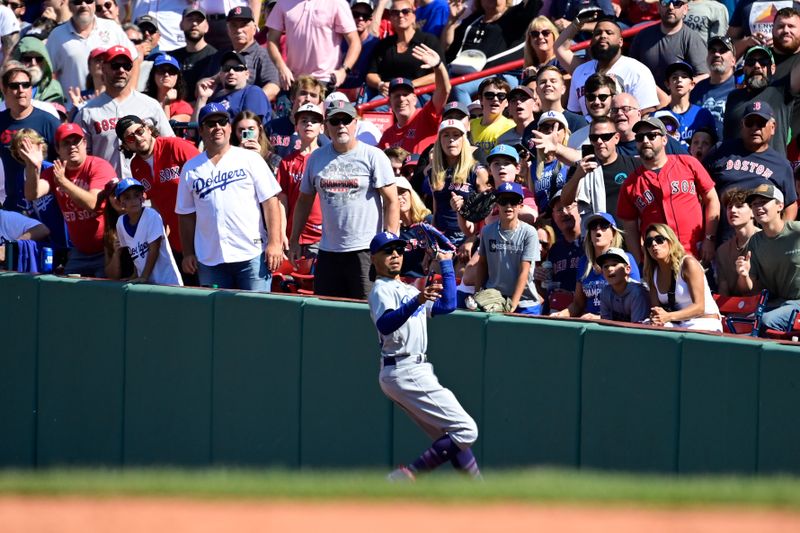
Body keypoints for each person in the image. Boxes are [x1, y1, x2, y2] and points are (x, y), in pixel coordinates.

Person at [367, 231, 480, 482]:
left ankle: (479, 492)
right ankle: (408, 476)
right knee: (466, 430)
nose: (395, 255)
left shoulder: (405, 288)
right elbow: (385, 324)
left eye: (398, 250)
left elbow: (447, 305)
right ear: (374, 258)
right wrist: (417, 300)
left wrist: (447, 263)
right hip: (404, 367)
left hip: (410, 369)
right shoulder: (381, 289)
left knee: (453, 436)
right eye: (388, 251)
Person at [289, 99, 399, 299]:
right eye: (335, 121)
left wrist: (390, 245)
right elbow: (304, 201)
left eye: (346, 120)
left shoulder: (373, 156)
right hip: (328, 251)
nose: (341, 126)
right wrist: (294, 239)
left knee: (366, 312)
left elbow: (392, 200)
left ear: (355, 122)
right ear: (326, 127)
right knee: (328, 313)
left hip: (365, 250)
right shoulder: (316, 158)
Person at [176, 103, 283, 291]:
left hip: (251, 254)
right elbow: (185, 214)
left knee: (256, 313)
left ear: (229, 127)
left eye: (222, 122)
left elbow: (270, 202)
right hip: (210, 258)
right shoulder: (190, 168)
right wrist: (188, 253)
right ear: (201, 130)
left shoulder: (250, 158)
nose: (217, 127)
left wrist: (275, 243)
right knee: (217, 318)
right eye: (210, 123)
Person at [618, 117, 719, 266]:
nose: (645, 140)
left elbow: (712, 199)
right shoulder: (630, 184)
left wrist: (709, 238)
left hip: (696, 252)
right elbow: (630, 228)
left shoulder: (688, 163)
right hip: (659, 261)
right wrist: (640, 260)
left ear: (664, 140)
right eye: (640, 137)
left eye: (652, 136)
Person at [21, 123, 115, 277]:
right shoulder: (54, 172)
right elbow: (32, 194)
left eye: (76, 141)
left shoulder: (98, 166)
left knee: (104, 296)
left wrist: (64, 182)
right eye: (66, 143)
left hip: (105, 250)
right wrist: (33, 167)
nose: (72, 147)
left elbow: (94, 204)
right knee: (67, 294)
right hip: (79, 251)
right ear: (57, 150)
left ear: (84, 143)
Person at [117, 114, 200, 280]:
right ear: (126, 144)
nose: (138, 138)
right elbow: (154, 201)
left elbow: (205, 176)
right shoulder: (136, 165)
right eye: (130, 138)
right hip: (176, 240)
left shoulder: (175, 146)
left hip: (202, 233)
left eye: (140, 131)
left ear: (148, 129)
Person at [75, 46, 175, 181]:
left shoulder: (151, 105)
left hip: (147, 189)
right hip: (107, 189)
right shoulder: (87, 112)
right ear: (104, 68)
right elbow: (81, 159)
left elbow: (169, 145)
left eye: (126, 66)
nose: (121, 70)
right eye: (115, 66)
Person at [706, 101, 797, 241]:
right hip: (719, 239)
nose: (755, 128)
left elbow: (790, 205)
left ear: (772, 128)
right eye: (750, 123)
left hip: (760, 243)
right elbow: (702, 191)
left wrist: (779, 238)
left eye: (760, 123)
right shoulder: (721, 150)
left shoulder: (781, 165)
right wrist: (708, 237)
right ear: (742, 125)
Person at [442, 0, 539, 106]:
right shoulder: (473, 20)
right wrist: (451, 21)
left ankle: (471, 120)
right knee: (434, 89)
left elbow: (533, 5)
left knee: (459, 89)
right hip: (462, 73)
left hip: (499, 74)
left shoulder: (515, 16)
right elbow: (448, 48)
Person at [559, 16, 659, 116]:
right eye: (598, 33)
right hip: (588, 130)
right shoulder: (580, 71)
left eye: (609, 33)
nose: (603, 36)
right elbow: (575, 115)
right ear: (592, 41)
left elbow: (647, 113)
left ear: (620, 41)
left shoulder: (637, 70)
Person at [736, 183, 800, 334]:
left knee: (765, 321)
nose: (758, 207)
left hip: (795, 304)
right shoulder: (755, 241)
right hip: (775, 305)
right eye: (754, 204)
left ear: (780, 206)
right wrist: (743, 275)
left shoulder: (797, 231)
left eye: (764, 202)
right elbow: (747, 289)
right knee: (736, 321)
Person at [0, 61, 60, 214]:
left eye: (25, 85)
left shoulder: (48, 121)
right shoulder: (1, 121)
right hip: (13, 206)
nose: (21, 90)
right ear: (4, 90)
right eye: (14, 86)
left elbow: (65, 160)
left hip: (47, 203)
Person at [554, 212, 640, 319]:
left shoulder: (626, 259)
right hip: (590, 324)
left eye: (604, 225)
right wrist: (562, 314)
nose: (598, 230)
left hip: (617, 325)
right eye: (593, 226)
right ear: (589, 235)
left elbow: (636, 300)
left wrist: (600, 318)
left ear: (613, 234)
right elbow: (578, 304)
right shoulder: (583, 262)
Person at [473, 181, 542, 314]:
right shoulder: (487, 231)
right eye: (503, 200)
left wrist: (511, 306)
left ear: (521, 205)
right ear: (497, 204)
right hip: (494, 299)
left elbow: (525, 271)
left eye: (514, 201)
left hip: (524, 301)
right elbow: (482, 264)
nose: (508, 206)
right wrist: (477, 295)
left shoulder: (529, 232)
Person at [45, 0, 138, 96]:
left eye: (89, 1)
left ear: (94, 4)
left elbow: (134, 58)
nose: (84, 5)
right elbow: (48, 72)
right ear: (70, 6)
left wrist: (131, 91)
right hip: (74, 106)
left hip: (111, 103)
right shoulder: (57, 35)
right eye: (78, 2)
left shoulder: (112, 27)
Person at [722, 45, 800, 156]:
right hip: (735, 170)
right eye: (750, 62)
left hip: (772, 170)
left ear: (772, 68)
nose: (757, 66)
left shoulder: (782, 92)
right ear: (744, 68)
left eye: (763, 62)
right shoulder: (733, 97)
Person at [643, 223, 722, 332]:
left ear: (671, 241)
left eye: (659, 239)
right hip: (678, 324)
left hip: (703, 322)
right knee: (645, 329)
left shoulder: (688, 264)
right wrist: (657, 317)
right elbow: (658, 310)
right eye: (648, 242)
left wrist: (668, 316)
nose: (654, 244)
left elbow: (700, 307)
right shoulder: (652, 273)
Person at [266, 0, 361, 90]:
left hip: (326, 80)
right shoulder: (283, 2)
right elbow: (271, 40)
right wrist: (281, 67)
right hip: (292, 79)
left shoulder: (337, 2)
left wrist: (343, 71)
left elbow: (355, 42)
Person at [424, 118, 489, 246]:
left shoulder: (478, 171)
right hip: (441, 238)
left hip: (467, 238)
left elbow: (486, 212)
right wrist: (431, 243)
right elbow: (436, 211)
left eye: (456, 135)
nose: (451, 140)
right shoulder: (433, 172)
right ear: (439, 141)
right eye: (446, 135)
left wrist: (472, 239)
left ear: (464, 141)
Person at [378, 43, 451, 155]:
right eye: (397, 95)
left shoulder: (426, 116)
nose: (402, 99)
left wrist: (438, 66)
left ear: (415, 99)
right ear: (389, 102)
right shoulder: (387, 135)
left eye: (406, 94)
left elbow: (444, 90)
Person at [365, 0, 444, 102]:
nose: (400, 15)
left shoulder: (428, 41)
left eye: (405, 11)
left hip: (418, 95)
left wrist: (407, 85)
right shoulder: (384, 45)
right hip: (388, 96)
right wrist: (380, 84)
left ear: (414, 16)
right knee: (375, 108)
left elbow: (439, 74)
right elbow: (371, 74)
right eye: (395, 12)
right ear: (390, 18)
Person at [561, 116, 639, 218]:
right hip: (596, 229)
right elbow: (565, 201)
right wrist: (578, 176)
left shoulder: (633, 164)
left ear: (616, 138)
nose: (599, 141)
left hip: (627, 231)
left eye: (605, 137)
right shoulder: (581, 167)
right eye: (594, 138)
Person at [276, 102, 325, 260]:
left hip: (322, 236)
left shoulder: (329, 159)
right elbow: (282, 202)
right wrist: (282, 233)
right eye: (304, 120)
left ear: (322, 128)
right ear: (296, 126)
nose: (309, 124)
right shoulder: (286, 162)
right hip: (294, 236)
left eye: (314, 121)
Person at [628, 0, 710, 91]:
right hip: (645, 99)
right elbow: (631, 70)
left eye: (677, 3)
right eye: (665, 2)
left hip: (677, 101)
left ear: (685, 9)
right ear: (658, 7)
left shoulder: (692, 38)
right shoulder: (642, 36)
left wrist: (681, 89)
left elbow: (704, 75)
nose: (671, 7)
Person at [113, 177, 182, 285]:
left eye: (136, 195)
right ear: (121, 204)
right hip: (145, 282)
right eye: (127, 197)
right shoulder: (120, 223)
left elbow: (154, 249)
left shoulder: (152, 215)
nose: (133, 200)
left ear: (142, 198)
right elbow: (135, 255)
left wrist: (144, 276)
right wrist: (135, 275)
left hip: (168, 281)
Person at [204, 7, 280, 101]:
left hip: (248, 112)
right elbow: (201, 86)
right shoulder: (219, 55)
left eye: (244, 25)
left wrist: (247, 102)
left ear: (254, 28)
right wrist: (216, 78)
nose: (239, 30)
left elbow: (273, 87)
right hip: (217, 110)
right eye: (234, 25)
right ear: (227, 30)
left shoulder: (263, 55)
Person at [194, 51, 271, 125]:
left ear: (247, 74)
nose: (231, 72)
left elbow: (251, 131)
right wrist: (202, 98)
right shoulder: (216, 99)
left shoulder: (253, 92)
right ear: (220, 75)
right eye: (226, 68)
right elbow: (193, 132)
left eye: (237, 68)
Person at [265, 76, 328, 161]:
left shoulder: (319, 136)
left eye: (313, 95)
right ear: (292, 97)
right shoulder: (272, 127)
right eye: (303, 93)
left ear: (319, 102)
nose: (308, 99)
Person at [612, 93, 690, 157]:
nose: (619, 113)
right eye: (614, 110)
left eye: (625, 109)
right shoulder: (609, 148)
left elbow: (691, 166)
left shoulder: (662, 140)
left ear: (639, 114)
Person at [714, 188, 760, 296]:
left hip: (766, 306)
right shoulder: (722, 251)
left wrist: (744, 277)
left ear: (753, 212)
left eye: (739, 206)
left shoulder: (766, 241)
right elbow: (723, 291)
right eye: (729, 207)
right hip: (734, 309)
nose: (733, 210)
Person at [691, 35, 737, 137]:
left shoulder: (739, 87)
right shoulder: (698, 89)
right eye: (712, 50)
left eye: (722, 51)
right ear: (707, 57)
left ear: (733, 60)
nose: (716, 54)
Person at [169, 7, 218, 103]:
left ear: (207, 27)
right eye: (190, 19)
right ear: (181, 25)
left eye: (199, 20)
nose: (194, 23)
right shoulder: (172, 57)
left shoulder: (215, 57)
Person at [661, 61, 716, 146]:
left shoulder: (703, 115)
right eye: (674, 77)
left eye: (684, 76)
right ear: (667, 84)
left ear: (692, 84)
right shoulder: (659, 116)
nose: (679, 80)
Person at [529, 111, 570, 214]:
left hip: (567, 216)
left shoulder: (571, 161)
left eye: (557, 126)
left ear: (565, 132)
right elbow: (534, 202)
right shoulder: (533, 168)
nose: (551, 131)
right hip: (547, 223)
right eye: (545, 127)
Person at [597, 247, 651, 323]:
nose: (610, 269)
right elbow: (605, 324)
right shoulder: (605, 292)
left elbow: (638, 329)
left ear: (627, 269)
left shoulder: (638, 293)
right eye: (606, 266)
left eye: (614, 264)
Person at [395, 175, 433, 279]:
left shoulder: (429, 221)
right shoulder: (390, 230)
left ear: (411, 195)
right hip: (404, 284)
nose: (398, 197)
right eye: (394, 194)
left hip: (430, 281)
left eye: (402, 192)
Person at [9, 35, 65, 105]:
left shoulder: (52, 88)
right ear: (18, 60)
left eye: (39, 59)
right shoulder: (6, 86)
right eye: (27, 59)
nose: (33, 63)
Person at [534, 66, 587, 137]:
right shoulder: (531, 128)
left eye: (553, 81)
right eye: (543, 82)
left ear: (563, 89)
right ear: (537, 90)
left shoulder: (578, 122)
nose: (548, 84)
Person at [142, 53, 193, 122]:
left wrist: (166, 105)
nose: (166, 74)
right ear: (153, 74)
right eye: (161, 70)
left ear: (178, 77)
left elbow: (167, 130)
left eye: (172, 71)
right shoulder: (143, 100)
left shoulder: (184, 107)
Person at [470, 77, 515, 153]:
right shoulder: (470, 125)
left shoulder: (512, 127)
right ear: (480, 99)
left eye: (501, 96)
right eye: (489, 95)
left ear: (507, 102)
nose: (495, 99)